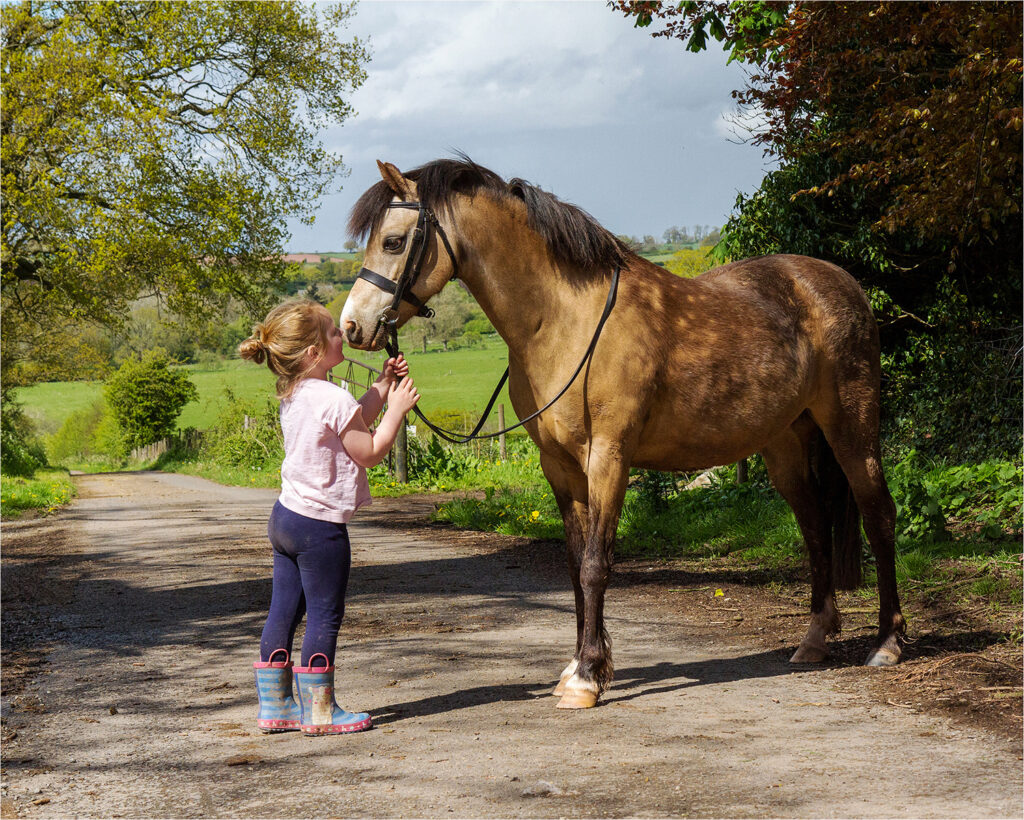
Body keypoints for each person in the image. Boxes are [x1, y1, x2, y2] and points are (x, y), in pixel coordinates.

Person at [238, 299, 419, 735]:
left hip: (286, 519)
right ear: (315, 353)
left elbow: (347, 424)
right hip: (320, 530)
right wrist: (395, 411)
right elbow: (368, 451)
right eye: (334, 332)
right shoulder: (332, 397)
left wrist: (380, 387)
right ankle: (321, 712)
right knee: (323, 614)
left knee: (283, 611)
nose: (343, 335)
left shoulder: (295, 391)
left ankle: (276, 706)